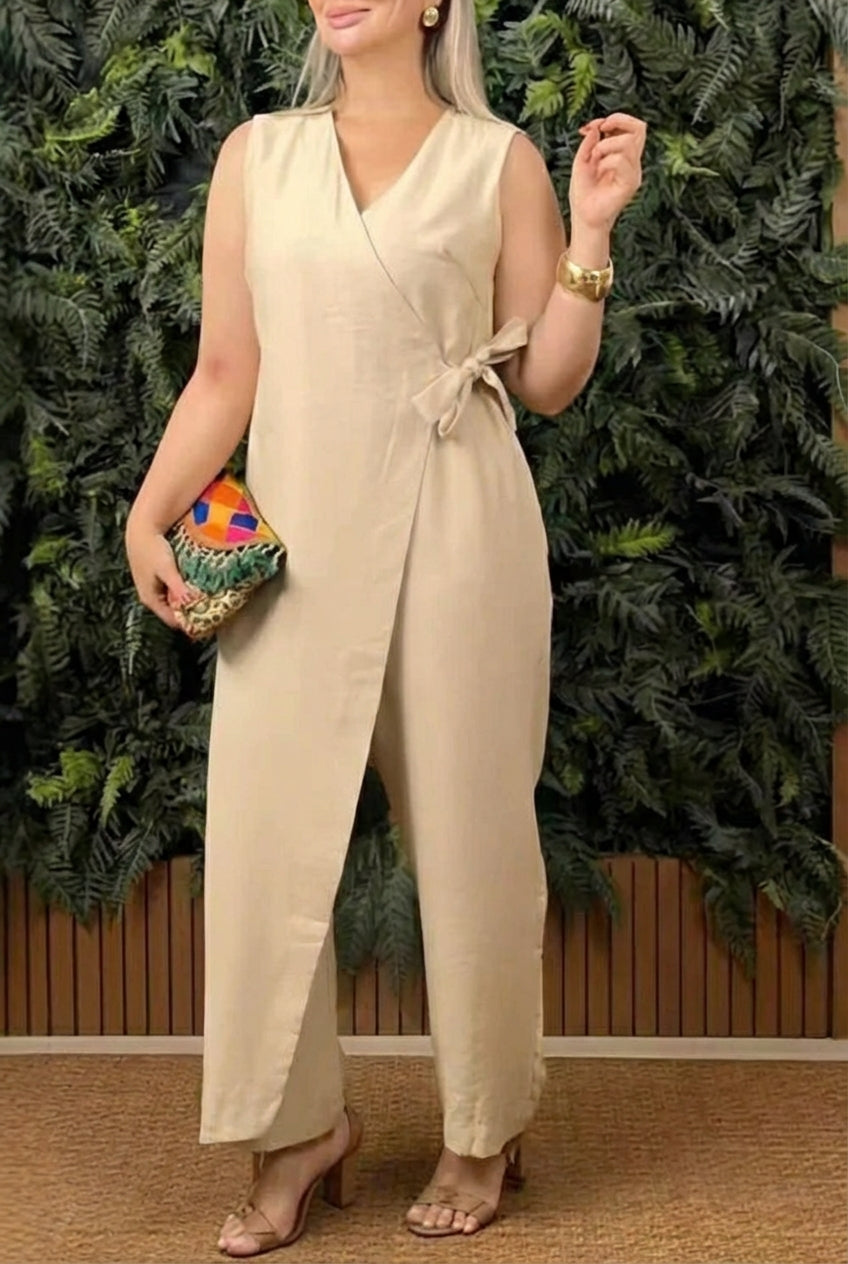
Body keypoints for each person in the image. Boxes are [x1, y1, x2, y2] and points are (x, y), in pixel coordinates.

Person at [125, 0, 645, 1252]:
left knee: (471, 842)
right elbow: (226, 370)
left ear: (433, 3)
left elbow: (545, 381)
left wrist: (588, 232)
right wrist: (148, 513)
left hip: (459, 532)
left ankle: (482, 1127)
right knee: (260, 843)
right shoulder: (258, 156)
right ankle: (296, 1130)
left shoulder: (495, 159)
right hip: (294, 544)